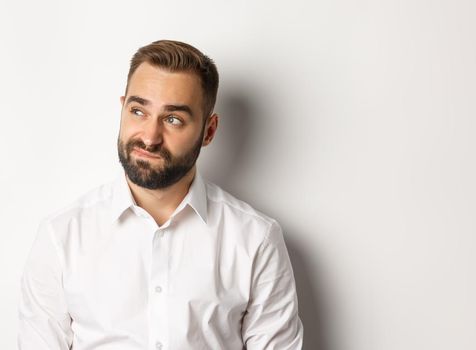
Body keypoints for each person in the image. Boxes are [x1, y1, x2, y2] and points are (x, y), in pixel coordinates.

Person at [18, 39, 304, 349]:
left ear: (208, 131)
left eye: (173, 120)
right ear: (123, 108)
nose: (150, 137)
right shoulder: (61, 236)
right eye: (139, 111)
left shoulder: (256, 239)